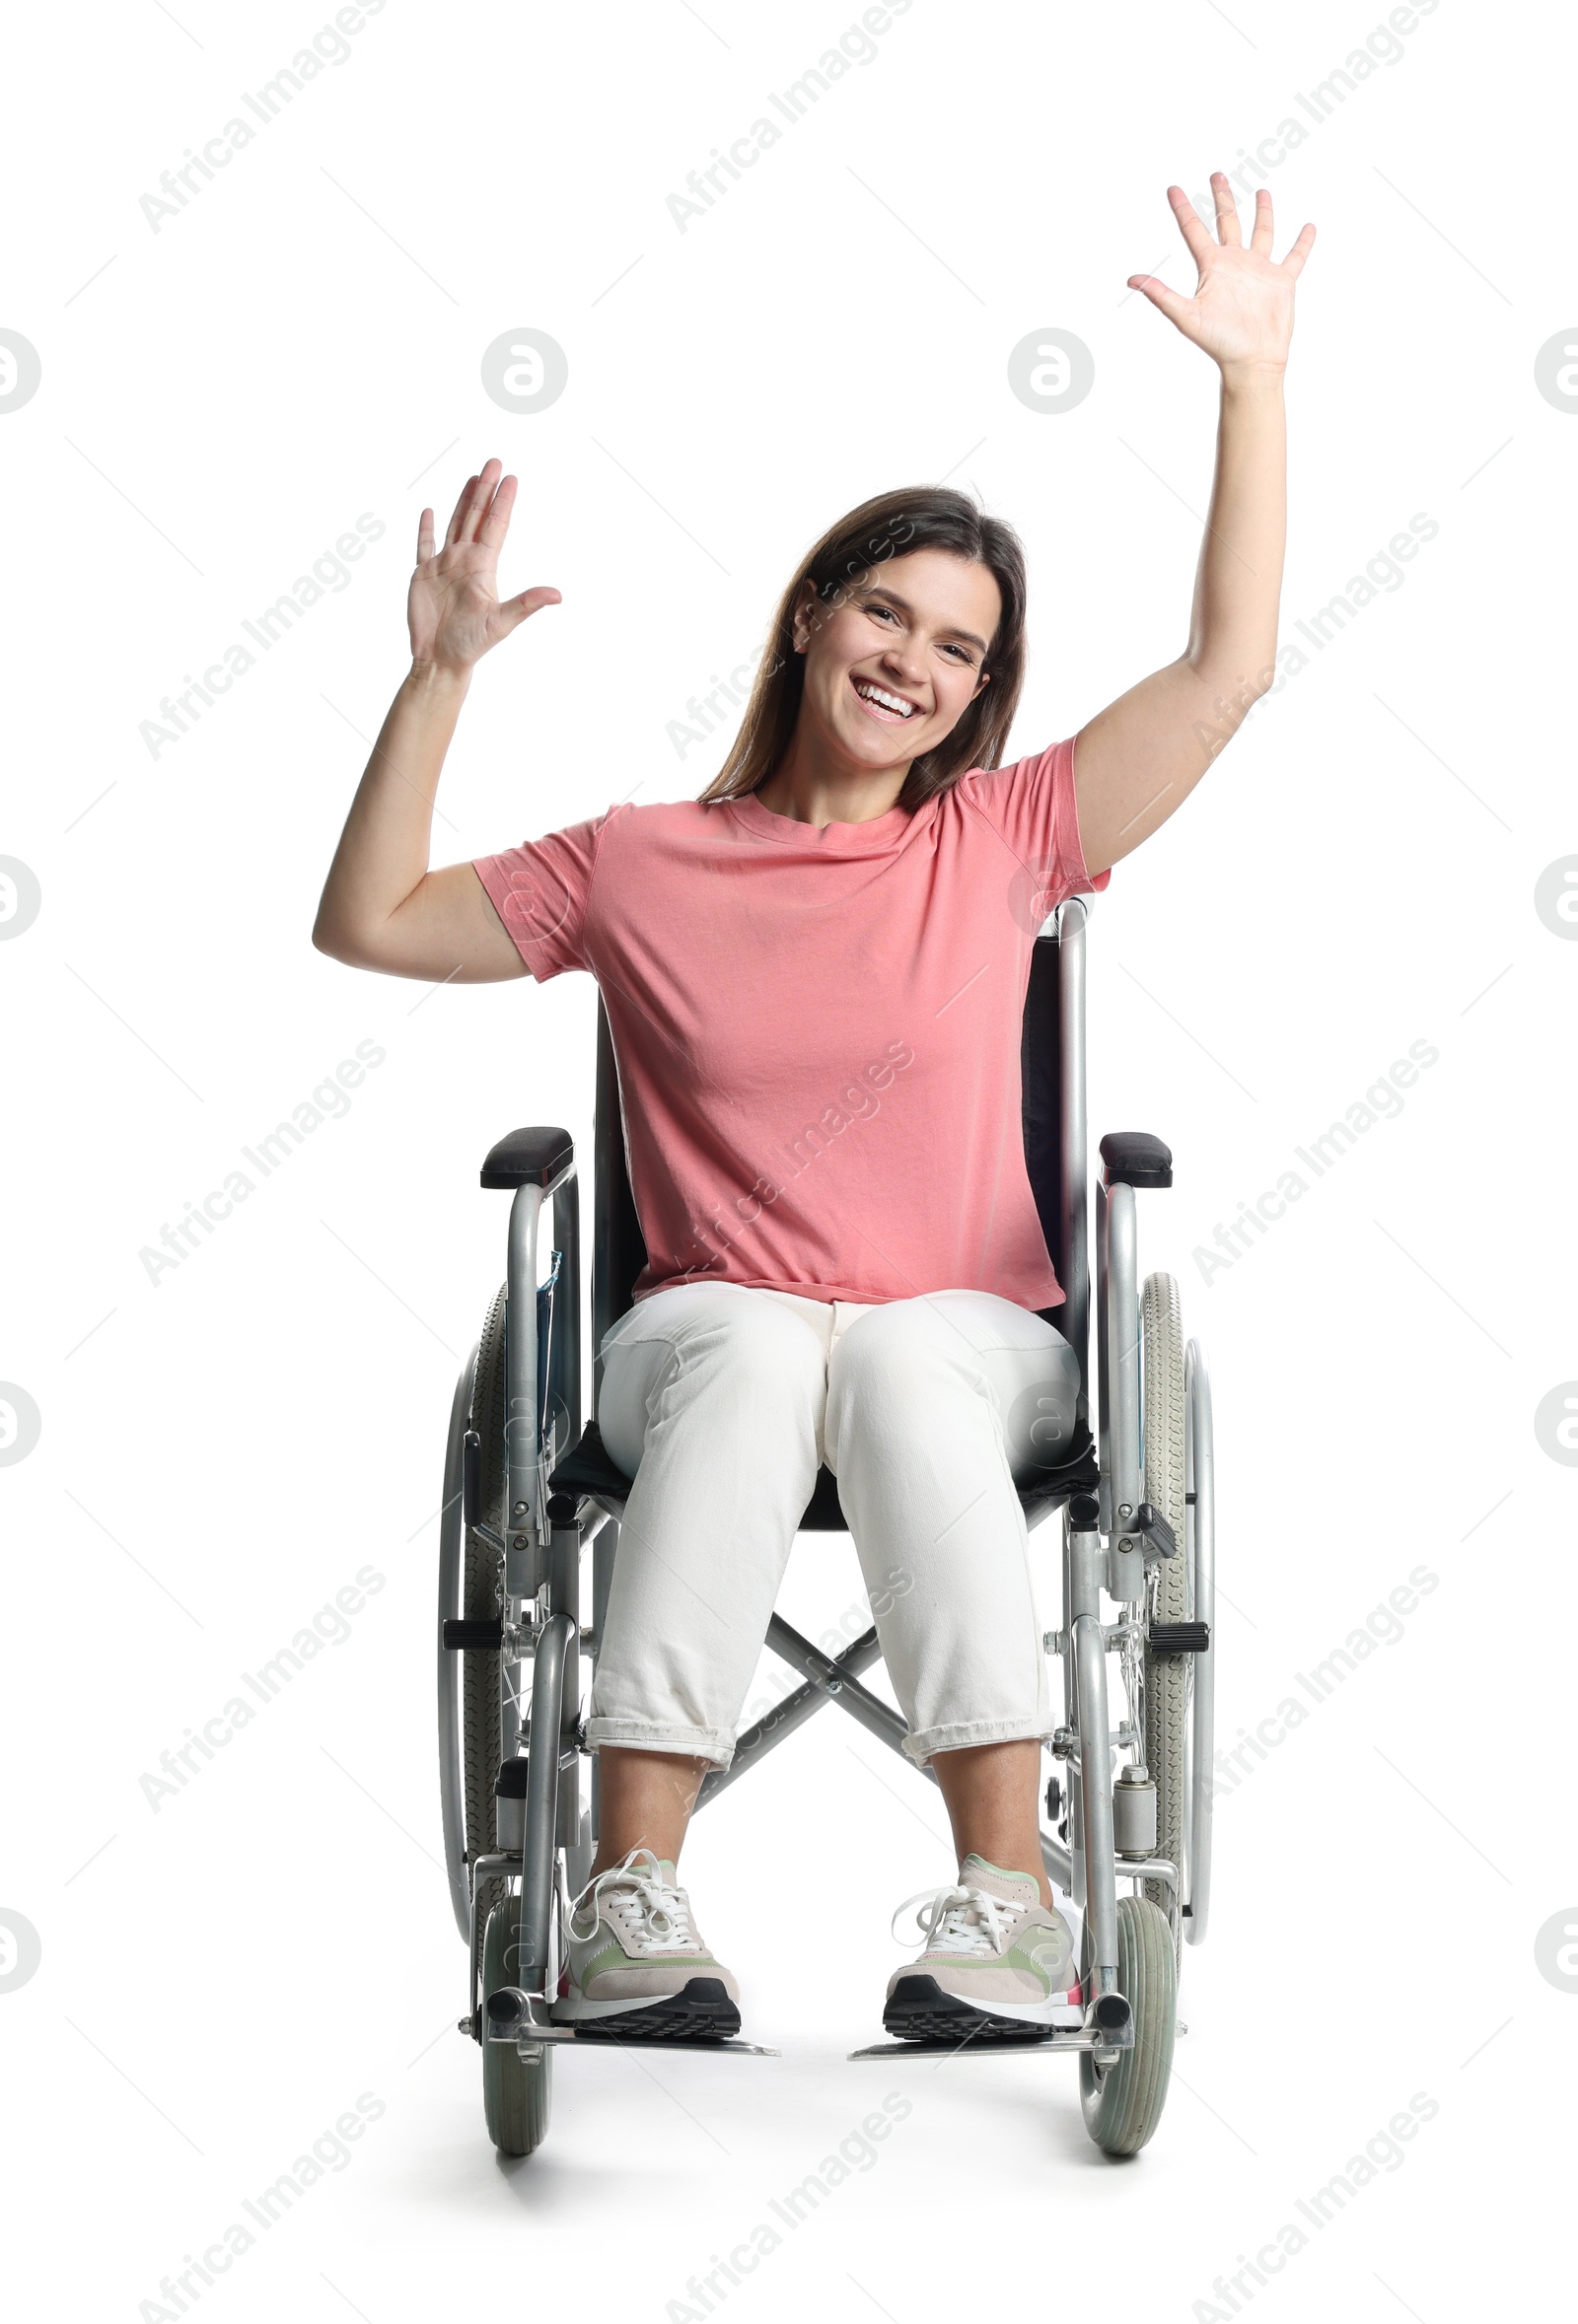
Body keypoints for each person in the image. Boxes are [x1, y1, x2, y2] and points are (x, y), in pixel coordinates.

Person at [315, 176, 1314, 2044]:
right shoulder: (642, 860)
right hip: (704, 1334)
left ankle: (1008, 1906)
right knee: (781, 1351)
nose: (913, 664)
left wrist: (1252, 384)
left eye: (958, 649)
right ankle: (631, 1901)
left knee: (906, 1361)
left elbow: (1226, 671)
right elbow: (366, 920)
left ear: (976, 694)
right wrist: (435, 676)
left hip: (972, 1339)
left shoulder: (1001, 840)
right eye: (886, 612)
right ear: (810, 621)